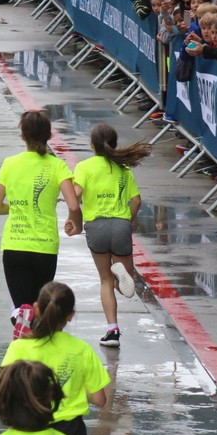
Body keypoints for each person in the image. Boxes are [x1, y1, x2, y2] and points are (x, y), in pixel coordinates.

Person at [0, 111, 82, 338]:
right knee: (40, 308)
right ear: (48, 135)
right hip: (44, 248)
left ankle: (22, 344)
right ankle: (39, 353)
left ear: (22, 135)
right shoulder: (57, 166)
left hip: (15, 246)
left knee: (23, 310)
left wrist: (17, 207)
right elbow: (73, 205)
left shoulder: (10, 164)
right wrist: (76, 225)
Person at [0, 282, 109, 435]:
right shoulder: (81, 349)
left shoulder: (19, 348)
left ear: (36, 308)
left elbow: (4, 392)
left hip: (30, 431)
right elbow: (99, 399)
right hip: (72, 434)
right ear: (71, 315)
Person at [73, 124, 151, 347]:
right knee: (128, 285)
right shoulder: (124, 170)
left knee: (104, 280)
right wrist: (130, 219)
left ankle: (112, 330)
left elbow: (76, 196)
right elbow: (136, 200)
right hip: (120, 225)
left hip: (96, 226)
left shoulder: (84, 167)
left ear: (91, 145)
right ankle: (122, 275)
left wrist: (74, 217)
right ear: (115, 145)